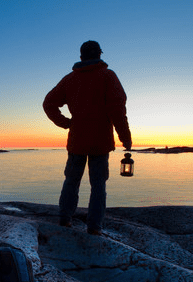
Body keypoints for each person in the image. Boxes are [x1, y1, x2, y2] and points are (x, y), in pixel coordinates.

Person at [43, 40, 132, 235]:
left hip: (77, 141)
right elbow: (117, 110)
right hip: (100, 142)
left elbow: (48, 103)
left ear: (81, 56)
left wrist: (66, 123)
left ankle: (65, 219)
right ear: (99, 54)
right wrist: (125, 137)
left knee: (71, 181)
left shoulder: (70, 79)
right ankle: (94, 227)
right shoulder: (108, 76)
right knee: (98, 186)